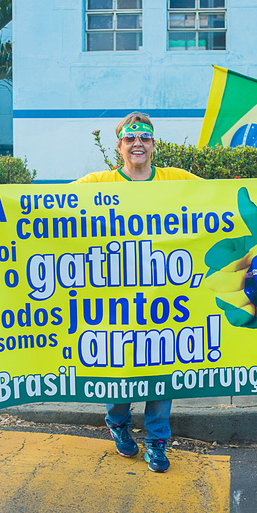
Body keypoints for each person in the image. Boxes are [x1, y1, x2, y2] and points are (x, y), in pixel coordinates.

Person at [75, 112, 201, 471]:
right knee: (120, 373)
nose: (137, 144)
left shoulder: (175, 180)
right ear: (119, 147)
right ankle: (117, 422)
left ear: (153, 144)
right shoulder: (99, 182)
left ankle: (157, 442)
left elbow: (222, 197)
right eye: (130, 138)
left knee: (162, 371)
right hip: (117, 304)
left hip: (164, 300)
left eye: (144, 137)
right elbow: (47, 203)